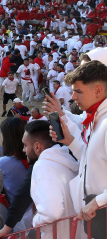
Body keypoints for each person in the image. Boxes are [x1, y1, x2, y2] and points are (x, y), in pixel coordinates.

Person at [46, 60, 107, 230]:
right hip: (96, 216)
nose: (73, 97)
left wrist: (98, 201)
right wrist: (69, 141)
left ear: (98, 90)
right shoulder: (96, 118)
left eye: (78, 92)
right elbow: (91, 161)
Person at [23, 120, 78, 238]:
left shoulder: (43, 166)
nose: (24, 150)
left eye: (25, 145)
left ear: (37, 147)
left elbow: (52, 212)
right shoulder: (66, 160)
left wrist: (35, 221)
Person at [0, 117, 29, 203]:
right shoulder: (29, 154)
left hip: (17, 211)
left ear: (6, 137)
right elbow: (12, 162)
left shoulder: (3, 163)